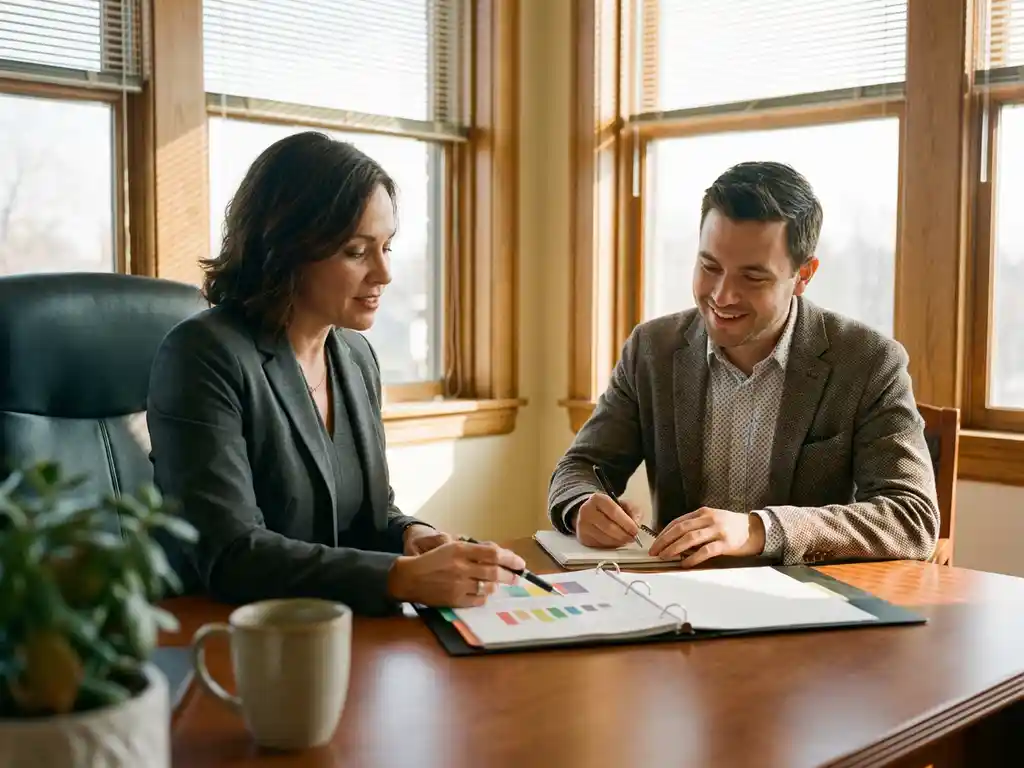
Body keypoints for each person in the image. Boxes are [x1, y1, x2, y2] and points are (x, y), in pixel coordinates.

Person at [148, 131, 524, 615]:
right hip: (230, 641)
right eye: (356, 251)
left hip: (341, 634)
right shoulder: (202, 355)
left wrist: (412, 535)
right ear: (286, 248)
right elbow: (232, 553)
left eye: (387, 246)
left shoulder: (354, 356)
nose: (384, 274)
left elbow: (367, 514)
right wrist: (398, 577)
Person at [548, 161, 939, 568]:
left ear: (804, 274)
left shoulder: (869, 362)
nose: (722, 295)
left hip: (805, 607)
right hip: (678, 598)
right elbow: (579, 467)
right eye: (710, 267)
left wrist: (760, 530)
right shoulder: (652, 348)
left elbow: (911, 519)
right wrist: (581, 505)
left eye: (753, 277)